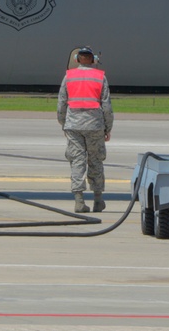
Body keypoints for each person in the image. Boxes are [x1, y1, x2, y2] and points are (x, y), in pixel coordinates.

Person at [57, 46, 114, 213]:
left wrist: (63, 123)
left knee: (77, 160)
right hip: (94, 125)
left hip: (73, 125)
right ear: (93, 59)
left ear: (77, 59)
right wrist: (107, 127)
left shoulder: (68, 76)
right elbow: (107, 106)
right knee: (95, 160)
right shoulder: (100, 77)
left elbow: (61, 103)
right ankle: (98, 199)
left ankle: (79, 200)